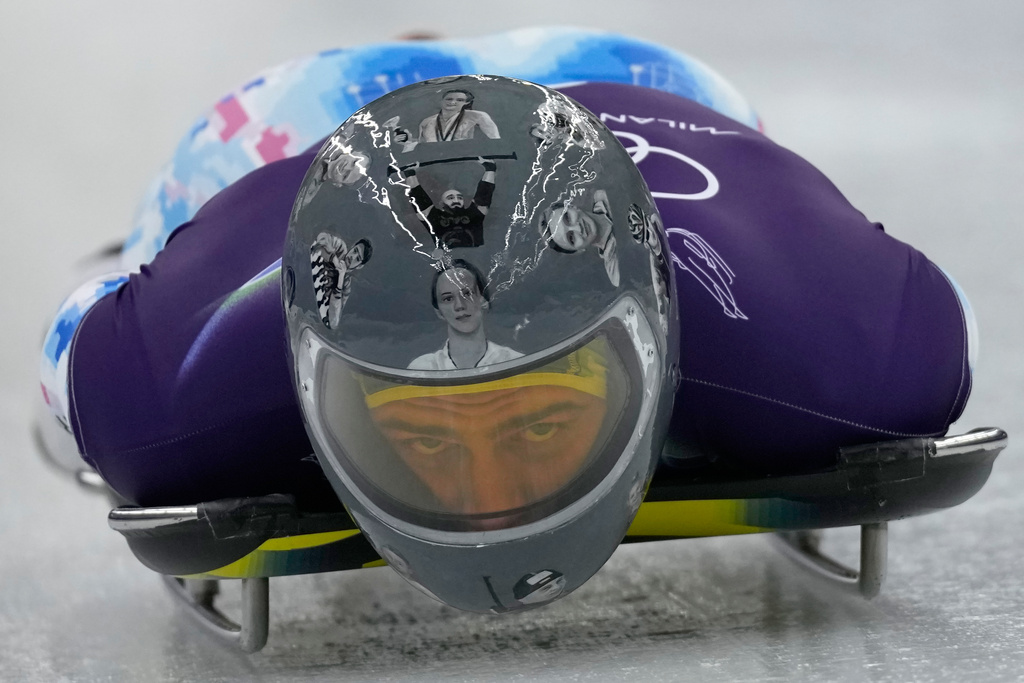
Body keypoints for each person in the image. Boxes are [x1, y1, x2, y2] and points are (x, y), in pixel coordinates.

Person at [39, 29, 974, 612]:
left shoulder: (160, 401)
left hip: (303, 117)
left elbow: (71, 345)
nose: (489, 500)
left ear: (654, 340)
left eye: (538, 419)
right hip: (352, 125)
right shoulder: (864, 361)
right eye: (427, 433)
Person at [407, 260, 521, 370]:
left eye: (467, 294)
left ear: (484, 301)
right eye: (448, 299)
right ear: (439, 312)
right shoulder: (422, 369)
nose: (459, 305)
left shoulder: (514, 362)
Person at [395, 157, 497, 249]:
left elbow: (484, 195)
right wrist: (410, 174)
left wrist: (490, 169)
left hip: (474, 254)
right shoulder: (434, 217)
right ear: (441, 203)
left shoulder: (472, 214)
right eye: (450, 198)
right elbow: (418, 197)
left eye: (459, 198)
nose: (456, 200)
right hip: (447, 257)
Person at [538, 190, 620, 286]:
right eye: (572, 238)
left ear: (572, 206)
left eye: (567, 218)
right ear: (578, 250)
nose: (578, 228)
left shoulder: (605, 194)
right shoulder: (616, 272)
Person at [418, 88, 500, 143]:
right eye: (449, 99)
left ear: (466, 103)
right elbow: (421, 147)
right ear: (441, 101)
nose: (452, 102)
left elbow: (495, 140)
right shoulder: (427, 122)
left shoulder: (478, 116)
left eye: (459, 100)